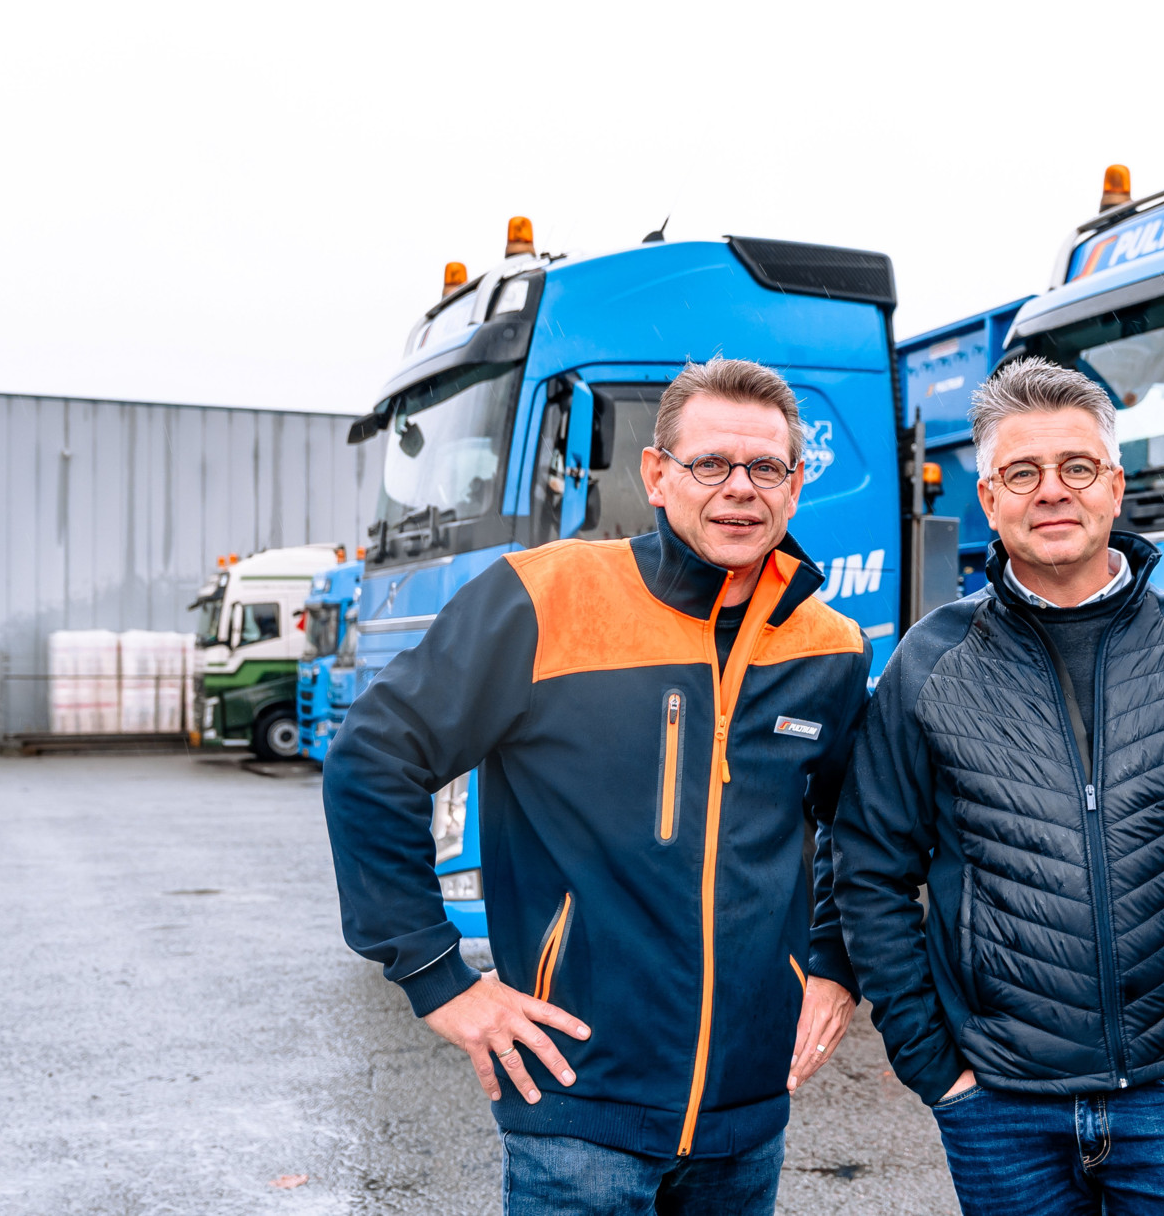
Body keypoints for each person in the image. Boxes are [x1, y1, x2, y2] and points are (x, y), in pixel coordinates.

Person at [322, 358, 871, 1216]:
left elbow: (855, 824)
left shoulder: (829, 644)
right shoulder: (547, 598)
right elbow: (372, 757)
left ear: (795, 485)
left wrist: (834, 962)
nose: (740, 489)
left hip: (749, 1120)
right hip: (578, 1114)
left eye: (766, 467)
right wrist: (439, 977)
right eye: (711, 464)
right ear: (656, 475)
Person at [832, 357, 1164, 1216]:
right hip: (1000, 1105)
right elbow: (868, 868)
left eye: (1076, 467)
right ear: (988, 500)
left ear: (1114, 485)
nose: (1051, 491)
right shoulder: (931, 663)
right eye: (1021, 473)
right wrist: (934, 1066)